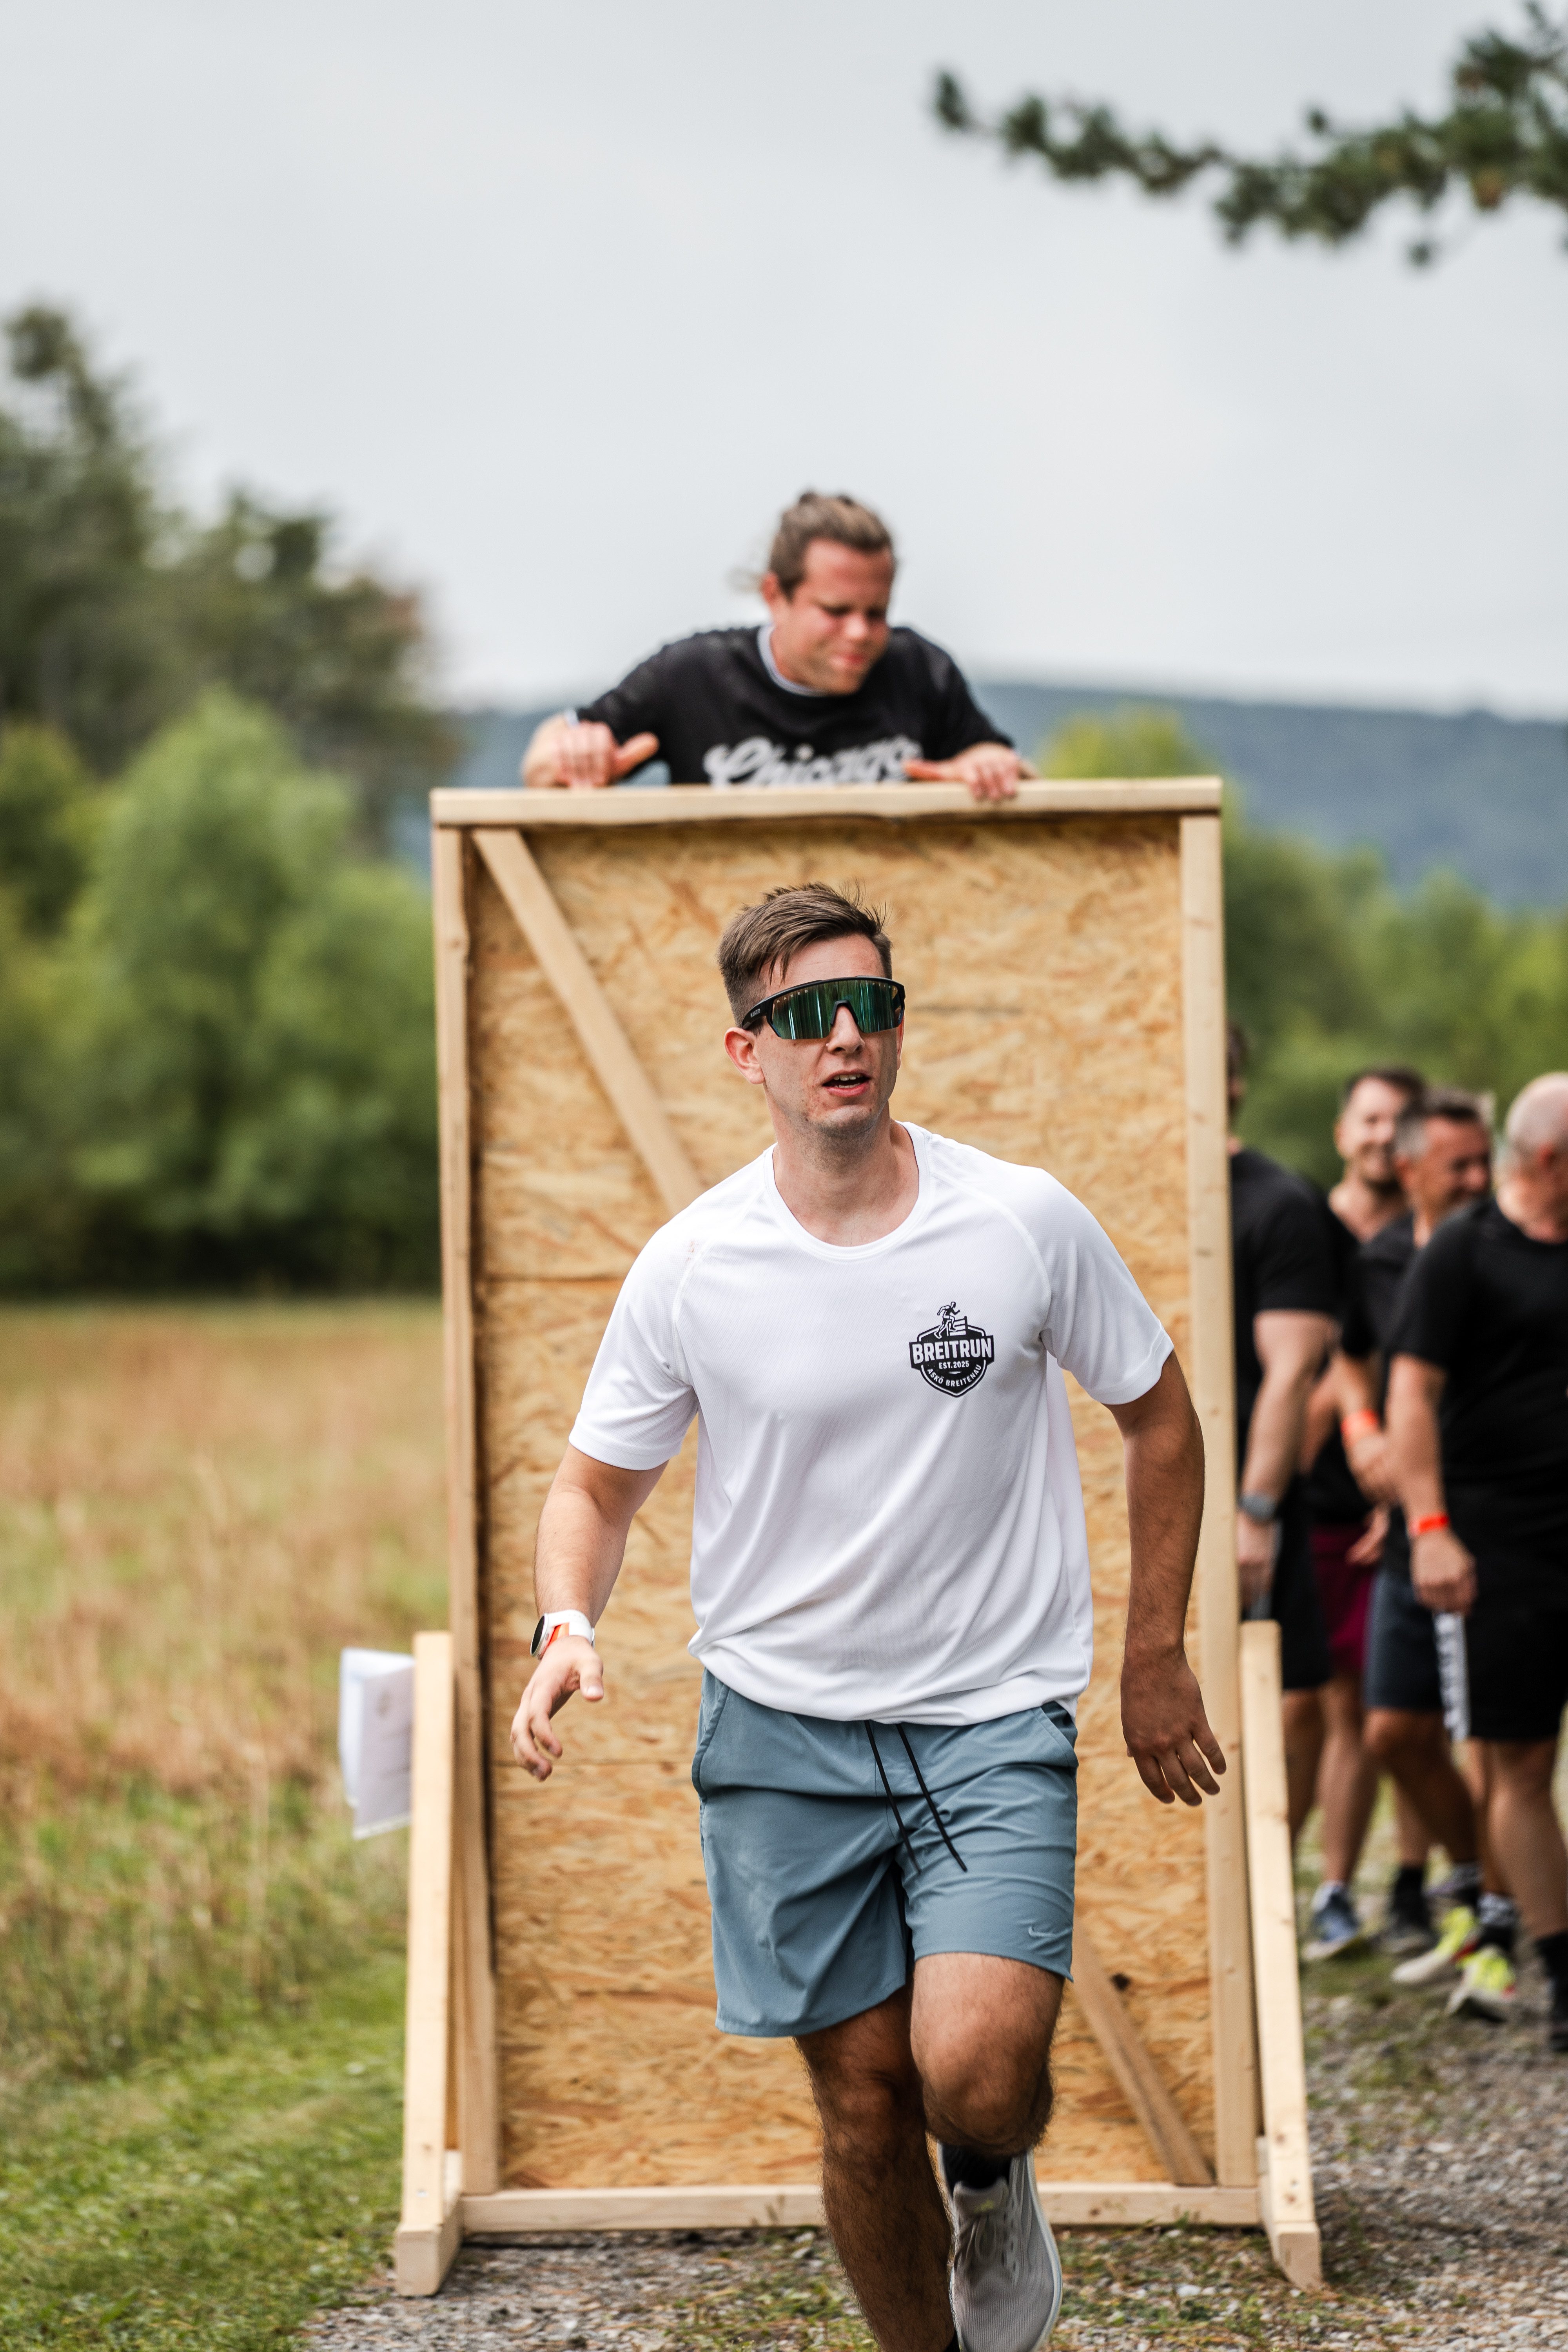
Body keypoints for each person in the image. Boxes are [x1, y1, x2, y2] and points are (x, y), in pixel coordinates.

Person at [511, 881, 1224, 2352]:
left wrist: (1155, 1652)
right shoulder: (693, 1264)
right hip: (782, 1732)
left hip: (987, 1719)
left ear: (896, 1028)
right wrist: (564, 1625)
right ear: (746, 1052)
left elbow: (1161, 1417)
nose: (844, 1037)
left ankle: (994, 2177)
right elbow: (592, 1487)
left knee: (975, 2073)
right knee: (861, 2101)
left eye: (870, 1006)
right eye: (805, 1015)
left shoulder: (1020, 1221)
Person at [1387, 1073, 1568, 2054]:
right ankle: (1561, 1973)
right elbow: (1409, 1395)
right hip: (1501, 1548)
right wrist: (1429, 1527)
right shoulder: (1463, 1250)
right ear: (1547, 1160)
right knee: (1519, 1762)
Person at [522, 491, 1028, 804]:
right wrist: (579, 754)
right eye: (835, 610)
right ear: (775, 596)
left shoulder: (919, 669)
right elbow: (543, 759)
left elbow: (1005, 762)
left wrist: (989, 766)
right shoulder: (693, 674)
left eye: (876, 613)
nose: (860, 632)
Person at [1334, 1090, 1494, 1978]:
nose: (1476, 1179)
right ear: (1408, 1169)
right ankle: (1478, 1886)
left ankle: (1494, 1925)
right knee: (1393, 1731)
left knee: (1496, 1744)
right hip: (1407, 1532)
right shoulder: (1382, 1257)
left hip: (1493, 1525)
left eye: (1483, 1162)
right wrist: (1361, 1431)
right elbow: (1352, 1358)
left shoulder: (1510, 1250)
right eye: (1456, 1165)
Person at [1297, 1067, 1426, 1960]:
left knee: (1409, 1712)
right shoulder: (1305, 1225)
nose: (1383, 1136)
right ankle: (1332, 1891)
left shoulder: (1436, 1238)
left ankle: (1415, 1885)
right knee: (1338, 1708)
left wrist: (1411, 1492)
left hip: (1409, 1507)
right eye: (1370, 1119)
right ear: (1344, 1130)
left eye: (1398, 1122)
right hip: (1322, 1505)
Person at [1227, 1027, 1338, 1866]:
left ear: (1231, 1084)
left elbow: (1293, 1370)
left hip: (1243, 1502)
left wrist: (1255, 1510)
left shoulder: (1278, 1203)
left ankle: (1266, 1883)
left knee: (1286, 1697)